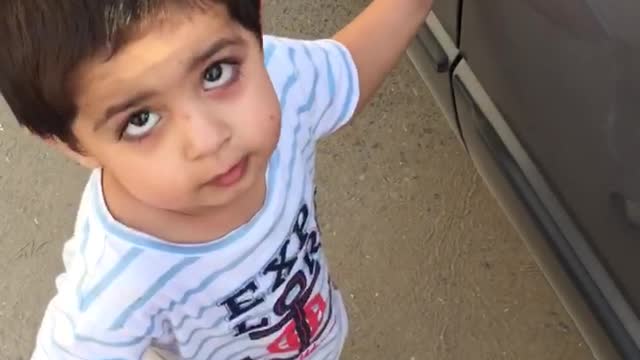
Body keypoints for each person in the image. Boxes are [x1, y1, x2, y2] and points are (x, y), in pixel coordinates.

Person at [0, 0, 433, 358]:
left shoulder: (282, 78)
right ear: (71, 145)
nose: (207, 141)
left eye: (215, 73)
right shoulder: (115, 283)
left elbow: (346, 73)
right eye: (141, 120)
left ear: (257, 28)